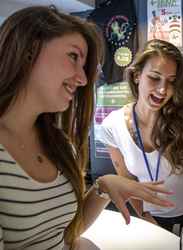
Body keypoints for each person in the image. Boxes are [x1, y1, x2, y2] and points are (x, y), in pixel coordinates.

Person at [0, 6, 174, 250]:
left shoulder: (59, 145)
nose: (82, 79)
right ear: (29, 51)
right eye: (73, 56)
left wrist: (104, 188)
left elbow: (62, 232)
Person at [100, 39, 183, 232]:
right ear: (137, 76)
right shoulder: (112, 126)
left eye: (171, 81)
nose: (163, 90)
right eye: (155, 77)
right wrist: (146, 218)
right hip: (150, 220)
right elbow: (128, 185)